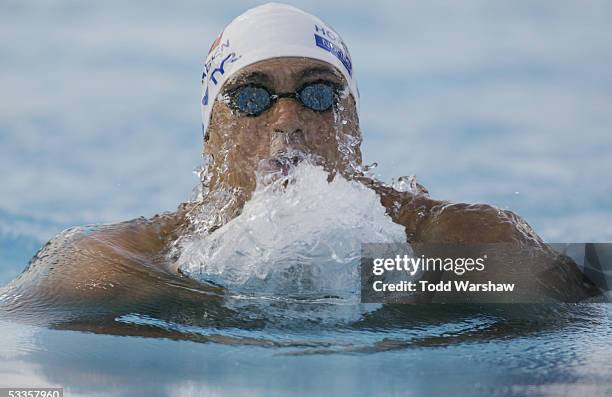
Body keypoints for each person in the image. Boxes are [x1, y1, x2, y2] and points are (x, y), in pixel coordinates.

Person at [1, 3, 599, 321]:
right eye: (252, 98)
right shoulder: (125, 263)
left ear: (353, 126)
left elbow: (586, 334)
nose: (286, 121)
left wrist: (413, 284)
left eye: (318, 93)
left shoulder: (456, 243)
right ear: (210, 137)